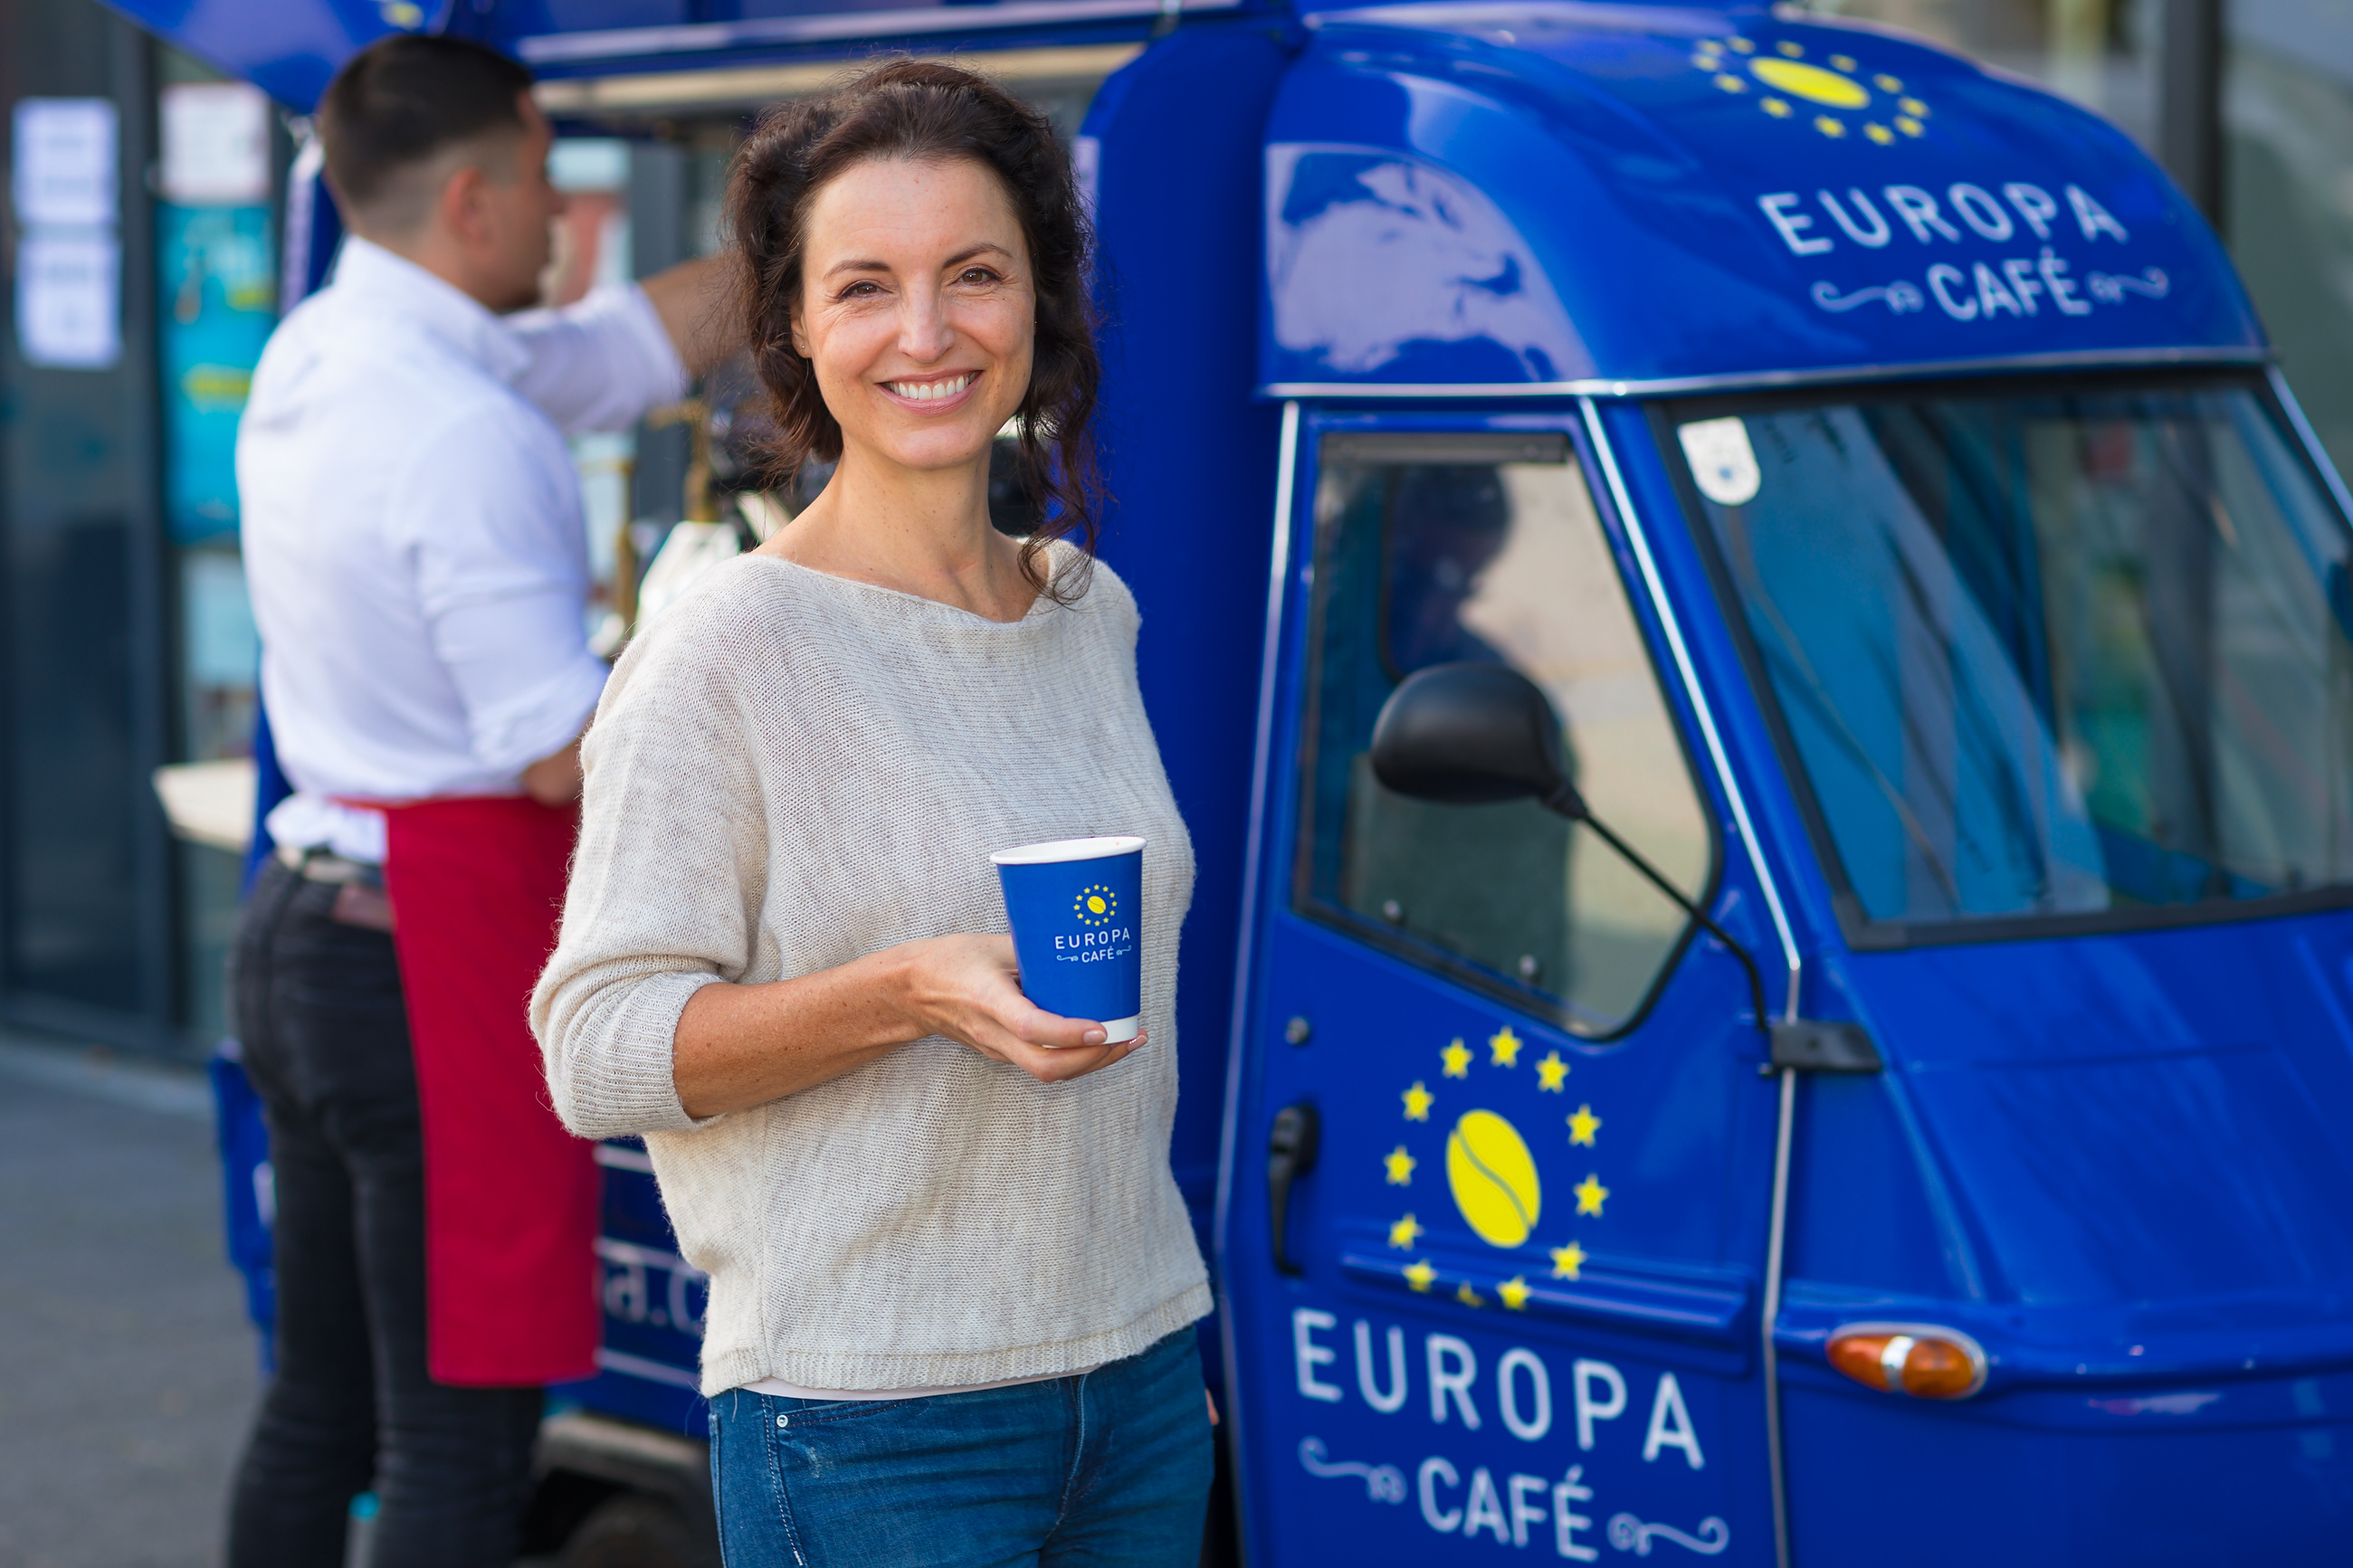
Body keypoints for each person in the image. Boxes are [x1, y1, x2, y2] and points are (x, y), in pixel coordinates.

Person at [531, 61, 1215, 1565]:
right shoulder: (725, 647)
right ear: (792, 326)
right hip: (874, 1421)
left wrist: (1150, 1356)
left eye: (974, 273)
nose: (926, 332)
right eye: (864, 287)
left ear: (1038, 299)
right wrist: (905, 990)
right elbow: (595, 1050)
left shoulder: (1088, 611)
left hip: (1142, 1376)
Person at [227, 33, 729, 1568]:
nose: (563, 211)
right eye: (541, 177)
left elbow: (610, 351)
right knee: (460, 1432)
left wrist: (801, 250)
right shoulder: (463, 427)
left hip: (306, 918)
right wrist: (737, 648)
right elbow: (555, 752)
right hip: (422, 951)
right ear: (469, 200)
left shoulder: (324, 348)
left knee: (320, 1403)